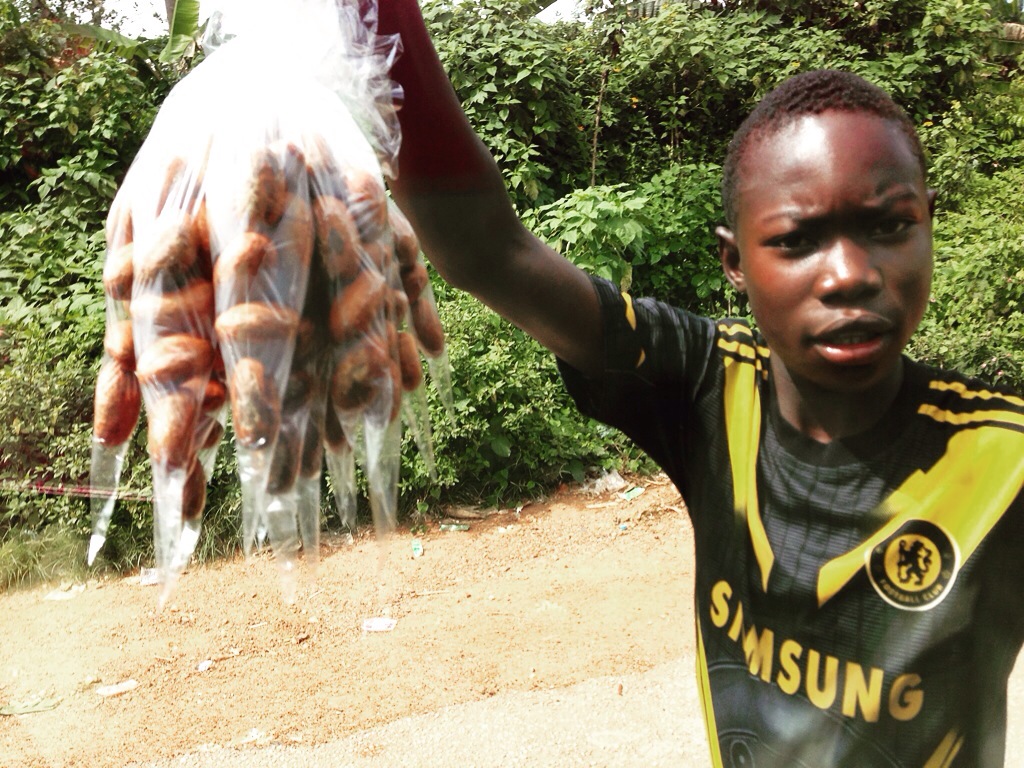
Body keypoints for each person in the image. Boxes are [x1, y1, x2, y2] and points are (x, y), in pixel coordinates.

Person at [376, 2, 1024, 766]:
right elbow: (490, 250)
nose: (850, 273)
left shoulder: (1000, 462)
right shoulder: (708, 388)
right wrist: (372, 15)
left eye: (889, 226)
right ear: (735, 262)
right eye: (796, 241)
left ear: (928, 222)